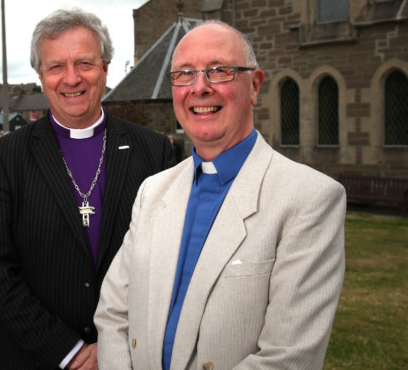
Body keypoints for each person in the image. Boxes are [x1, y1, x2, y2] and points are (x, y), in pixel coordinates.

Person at [94, 20, 346, 370]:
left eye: (219, 71)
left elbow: (289, 359)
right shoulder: (153, 191)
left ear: (254, 86)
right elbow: (113, 312)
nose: (200, 88)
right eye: (184, 74)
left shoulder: (308, 198)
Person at [0, 8, 177, 370]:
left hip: (128, 357)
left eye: (84, 63)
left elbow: (167, 263)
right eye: (56, 67)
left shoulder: (154, 151)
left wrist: (112, 345)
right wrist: (67, 351)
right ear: (40, 75)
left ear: (105, 67)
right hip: (32, 357)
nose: (71, 79)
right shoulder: (7, 156)